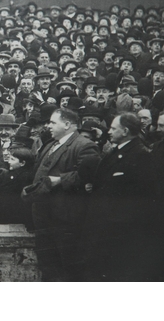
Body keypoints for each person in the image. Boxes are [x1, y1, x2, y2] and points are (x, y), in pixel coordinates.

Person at [83, 112, 159, 281]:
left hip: (122, 229)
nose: (108, 131)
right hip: (106, 226)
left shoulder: (141, 154)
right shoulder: (115, 151)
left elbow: (145, 195)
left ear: (125, 131)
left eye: (113, 128)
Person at [30, 108, 100, 281]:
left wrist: (60, 180)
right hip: (44, 216)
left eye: (53, 123)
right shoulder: (51, 144)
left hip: (65, 219)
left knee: (67, 267)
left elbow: (88, 174)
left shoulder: (84, 145)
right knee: (47, 265)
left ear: (68, 124)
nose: (48, 126)